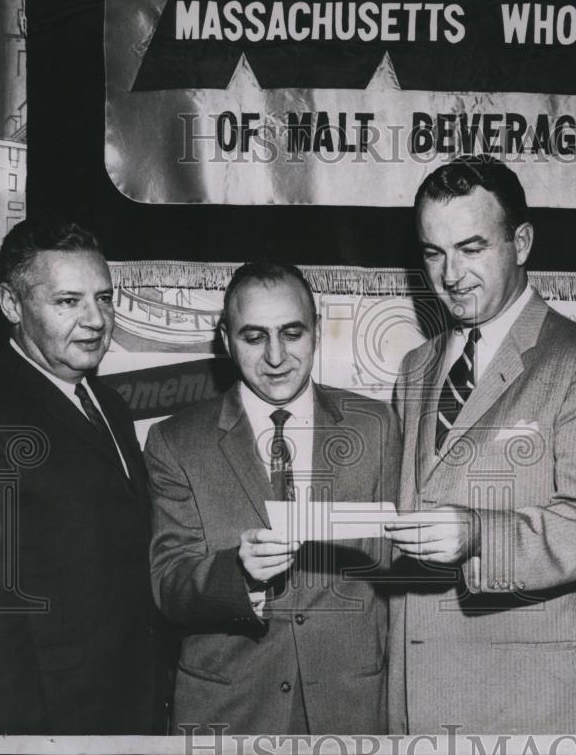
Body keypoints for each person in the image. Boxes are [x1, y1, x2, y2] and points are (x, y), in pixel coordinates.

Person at [383, 155, 576, 734]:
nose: (451, 274)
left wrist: (478, 533)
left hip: (524, 700)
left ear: (521, 242)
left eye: (471, 248)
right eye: (433, 252)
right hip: (410, 696)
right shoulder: (415, 366)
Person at [0, 220, 171, 734]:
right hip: (50, 722)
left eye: (103, 298)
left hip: (127, 709)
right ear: (12, 305)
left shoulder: (109, 404)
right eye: (67, 301)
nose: (96, 320)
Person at [145, 261, 399, 734]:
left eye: (293, 333)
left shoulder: (376, 425)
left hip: (351, 707)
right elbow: (168, 584)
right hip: (229, 713)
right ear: (225, 339)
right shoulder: (175, 441)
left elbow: (396, 571)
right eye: (254, 336)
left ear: (317, 331)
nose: (276, 356)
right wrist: (237, 573)